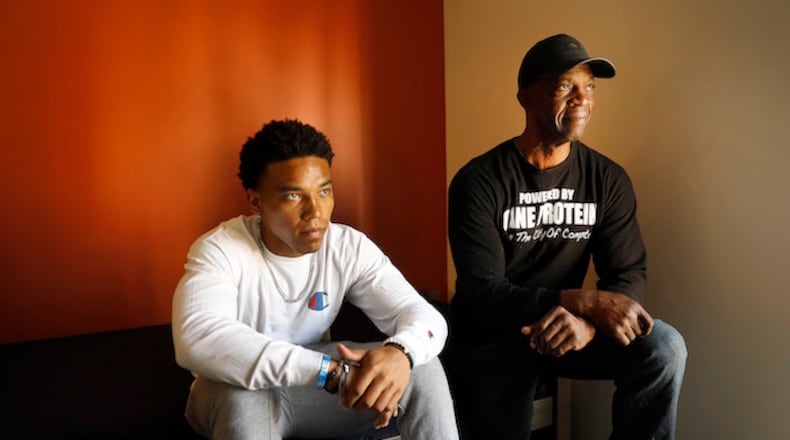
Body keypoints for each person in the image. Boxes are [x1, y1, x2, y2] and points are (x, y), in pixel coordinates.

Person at [446, 34, 687, 440]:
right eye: (564, 87)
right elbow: (482, 292)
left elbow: (627, 274)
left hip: (570, 327)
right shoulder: (479, 181)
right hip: (496, 336)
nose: (582, 99)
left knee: (664, 348)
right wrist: (574, 300)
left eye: (588, 87)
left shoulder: (607, 179)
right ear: (525, 97)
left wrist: (588, 322)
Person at [172, 119, 459, 440]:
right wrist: (329, 372)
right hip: (232, 392)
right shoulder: (220, 249)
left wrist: (400, 353)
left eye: (324, 191)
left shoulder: (347, 246)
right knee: (242, 394)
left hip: (312, 394)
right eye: (294, 196)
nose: (315, 212)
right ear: (255, 201)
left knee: (421, 367)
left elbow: (425, 317)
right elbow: (198, 339)